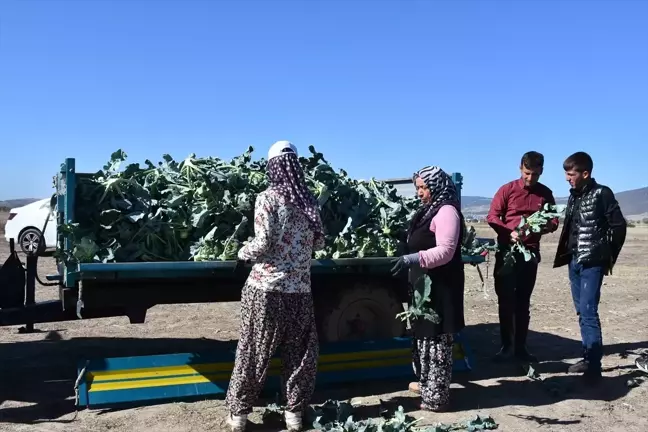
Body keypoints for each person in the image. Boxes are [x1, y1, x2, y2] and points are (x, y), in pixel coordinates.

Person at [225, 141, 325, 432]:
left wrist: (242, 252)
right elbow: (318, 241)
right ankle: (294, 414)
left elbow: (264, 241)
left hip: (265, 290)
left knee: (254, 351)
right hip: (300, 291)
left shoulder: (267, 198)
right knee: (300, 353)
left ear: (272, 167)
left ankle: (239, 415)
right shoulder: (308, 200)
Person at [390, 165, 465, 412]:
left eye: (423, 187)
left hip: (442, 286)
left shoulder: (447, 212)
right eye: (417, 188)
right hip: (424, 285)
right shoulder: (427, 210)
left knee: (437, 339)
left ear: (436, 185)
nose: (419, 192)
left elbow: (445, 251)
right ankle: (426, 384)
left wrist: (412, 259)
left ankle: (437, 397)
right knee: (423, 335)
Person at [554, 151, 627, 384]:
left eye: (571, 174)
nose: (567, 178)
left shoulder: (602, 193)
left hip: (592, 262)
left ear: (585, 173)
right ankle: (587, 357)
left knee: (588, 311)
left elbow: (619, 226)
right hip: (574, 260)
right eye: (566, 174)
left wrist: (606, 256)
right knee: (581, 311)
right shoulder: (574, 195)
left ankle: (594, 367)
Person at [486, 151, 559, 363]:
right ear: (520, 169)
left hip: (530, 254)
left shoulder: (545, 193)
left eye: (535, 174)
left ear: (541, 172)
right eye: (527, 173)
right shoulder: (506, 190)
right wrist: (509, 232)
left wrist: (540, 227)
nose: (530, 178)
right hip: (507, 253)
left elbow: (553, 221)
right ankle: (506, 347)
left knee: (523, 302)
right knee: (506, 300)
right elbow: (492, 216)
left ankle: (521, 348)